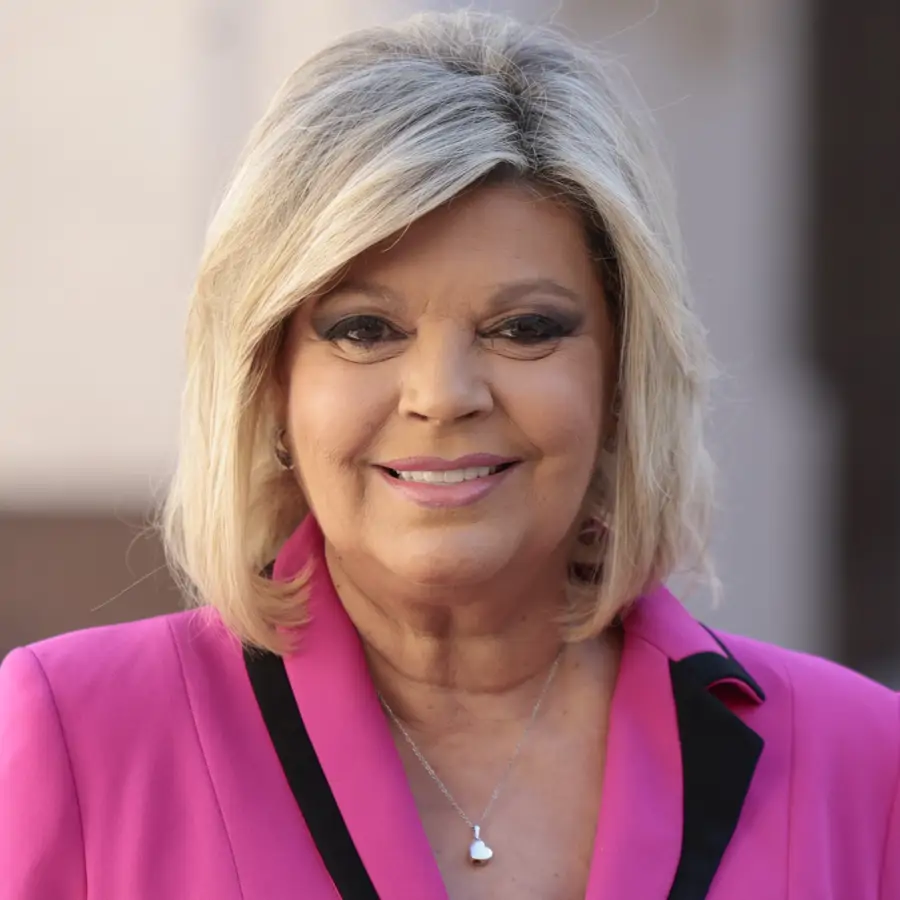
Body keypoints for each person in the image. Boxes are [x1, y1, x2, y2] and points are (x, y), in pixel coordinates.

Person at [1, 11, 897, 900]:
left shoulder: (865, 764)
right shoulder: (76, 735)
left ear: (623, 377)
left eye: (524, 328)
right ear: (270, 383)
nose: (442, 394)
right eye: (365, 329)